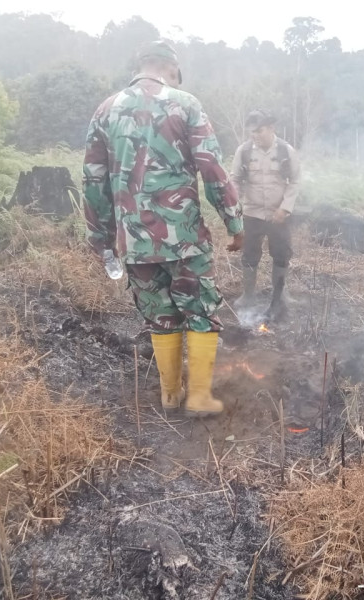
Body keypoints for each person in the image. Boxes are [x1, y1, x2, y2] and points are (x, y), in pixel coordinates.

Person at [82, 39, 244, 417]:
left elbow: (93, 181)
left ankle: (170, 395)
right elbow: (212, 168)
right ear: (171, 69)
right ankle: (200, 397)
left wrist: (102, 239)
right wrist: (235, 222)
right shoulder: (185, 104)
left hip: (135, 243)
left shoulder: (105, 110)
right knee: (200, 312)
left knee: (161, 316)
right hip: (185, 239)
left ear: (141, 65)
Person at [230, 110, 300, 321]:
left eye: (259, 131)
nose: (255, 135)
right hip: (252, 212)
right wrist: (234, 204)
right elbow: (235, 180)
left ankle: (280, 294)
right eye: (251, 132)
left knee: (281, 254)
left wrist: (285, 208)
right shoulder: (243, 152)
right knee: (249, 254)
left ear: (271, 128)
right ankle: (248, 295)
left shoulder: (286, 151)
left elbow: (295, 181)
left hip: (278, 214)